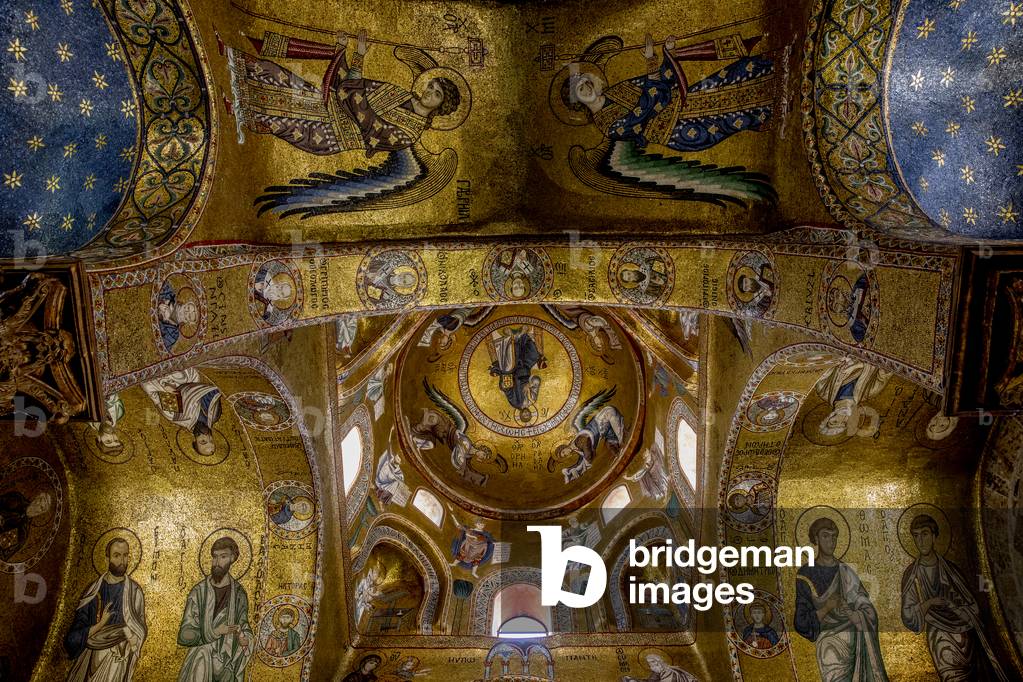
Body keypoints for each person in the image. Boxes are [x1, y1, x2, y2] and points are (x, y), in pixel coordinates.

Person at [226, 28, 462, 157]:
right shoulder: (399, 94)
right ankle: (229, 57)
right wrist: (347, 53)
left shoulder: (410, 133)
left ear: (440, 109)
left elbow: (368, 121)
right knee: (280, 77)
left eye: (437, 94)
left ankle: (235, 112)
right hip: (328, 107)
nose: (430, 91)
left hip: (331, 134)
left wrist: (355, 58)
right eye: (431, 86)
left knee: (280, 124)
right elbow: (351, 87)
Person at [900, 514, 1008, 681]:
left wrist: (954, 607)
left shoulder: (952, 570)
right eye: (916, 536)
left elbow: (974, 607)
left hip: (966, 637)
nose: (920, 541)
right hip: (940, 638)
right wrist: (930, 602)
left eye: (925, 534)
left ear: (935, 536)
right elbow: (908, 615)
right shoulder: (911, 574)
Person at [794, 517, 889, 681]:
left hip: (854, 643)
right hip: (829, 646)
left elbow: (866, 606)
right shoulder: (806, 574)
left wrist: (857, 615)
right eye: (825, 536)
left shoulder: (846, 571)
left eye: (834, 536)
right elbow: (801, 623)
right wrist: (827, 608)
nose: (831, 541)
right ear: (815, 539)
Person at [64, 537, 147, 681]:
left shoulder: (135, 592)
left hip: (117, 660)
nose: (122, 561)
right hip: (92, 658)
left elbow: (139, 630)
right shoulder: (93, 592)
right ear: (107, 558)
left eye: (125, 555)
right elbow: (72, 638)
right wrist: (100, 625)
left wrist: (128, 635)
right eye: (116, 555)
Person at [177, 537, 254, 681]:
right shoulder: (199, 592)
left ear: (233, 558)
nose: (217, 562)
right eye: (215, 557)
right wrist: (215, 632)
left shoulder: (238, 593)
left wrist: (245, 638)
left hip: (226, 661)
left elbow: (244, 626)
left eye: (223, 557)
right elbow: (184, 635)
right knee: (203, 653)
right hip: (201, 660)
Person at [141, 369, 223, 457]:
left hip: (167, 379)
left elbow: (154, 391)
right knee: (185, 374)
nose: (207, 437)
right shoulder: (214, 415)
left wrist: (165, 387)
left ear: (195, 440)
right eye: (211, 440)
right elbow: (212, 389)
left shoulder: (177, 415)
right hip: (187, 376)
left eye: (203, 441)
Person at [814, 358, 890, 438]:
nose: (842, 418)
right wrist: (858, 366)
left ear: (829, 417)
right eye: (844, 423)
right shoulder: (869, 392)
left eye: (834, 422)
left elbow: (820, 367)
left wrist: (839, 362)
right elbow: (885, 370)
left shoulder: (823, 391)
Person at [0, 490, 51, 562]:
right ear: (36, 497)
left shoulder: (23, 533)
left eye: (41, 507)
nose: (37, 505)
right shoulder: (17, 498)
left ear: (41, 513)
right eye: (39, 500)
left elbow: (4, 556)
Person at [156, 281, 198, 350]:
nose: (186, 313)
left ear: (189, 322)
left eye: (189, 316)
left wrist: (167, 319)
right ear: (185, 303)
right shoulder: (168, 292)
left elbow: (159, 348)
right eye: (187, 308)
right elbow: (156, 281)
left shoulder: (173, 335)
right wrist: (160, 303)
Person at [621, 653, 698, 682]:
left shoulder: (669, 671)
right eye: (650, 664)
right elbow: (650, 681)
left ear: (659, 662)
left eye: (652, 662)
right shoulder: (657, 671)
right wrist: (635, 680)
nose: (651, 666)